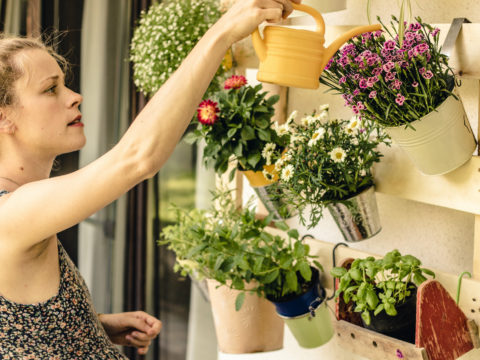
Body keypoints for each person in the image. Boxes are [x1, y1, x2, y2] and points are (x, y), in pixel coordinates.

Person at [0, 0, 301, 357]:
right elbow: (137, 158)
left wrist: (89, 324)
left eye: (65, 84)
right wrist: (222, 32)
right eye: (51, 89)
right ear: (4, 118)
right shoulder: (13, 212)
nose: (74, 96)